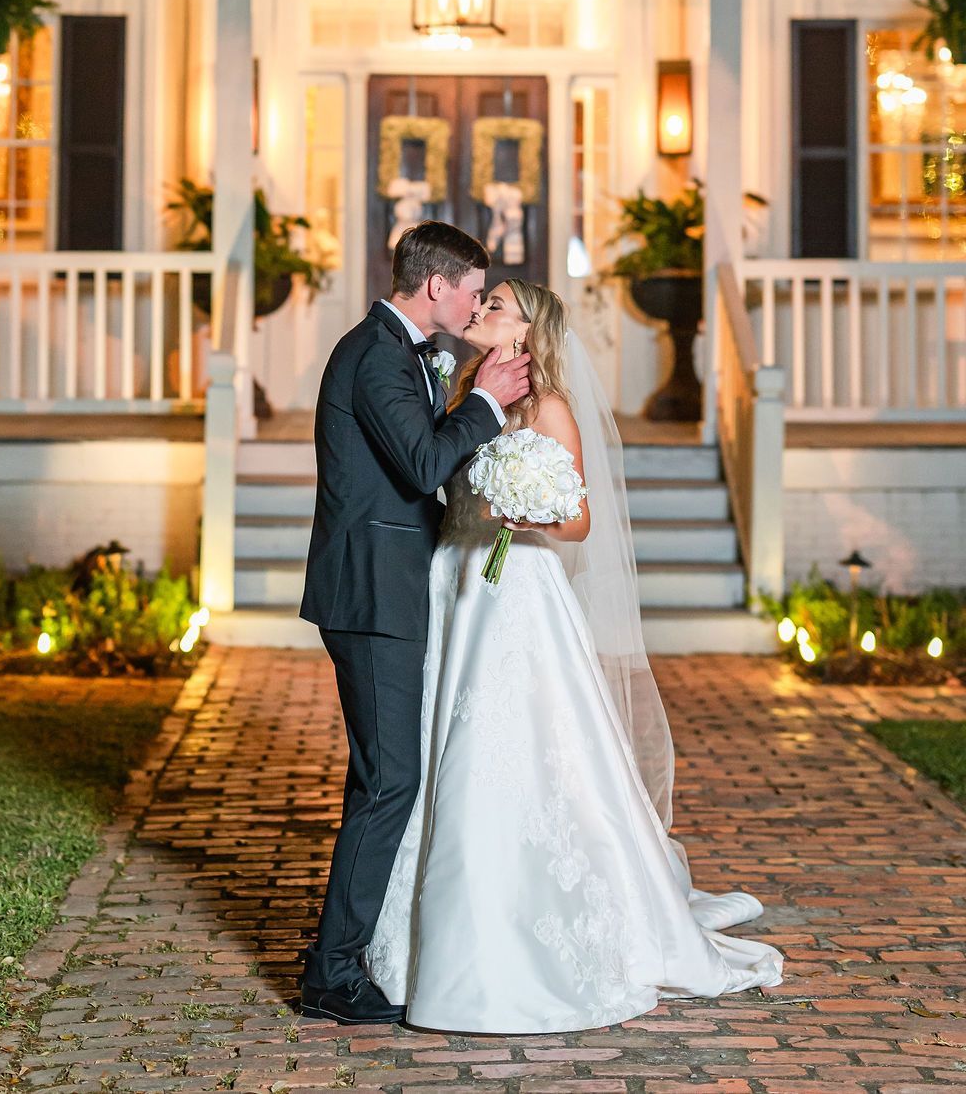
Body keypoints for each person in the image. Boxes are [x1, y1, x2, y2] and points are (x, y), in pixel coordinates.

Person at [365, 279, 785, 1033]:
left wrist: (523, 508)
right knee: (438, 741)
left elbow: (580, 520)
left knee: (511, 751)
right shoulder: (464, 390)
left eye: (497, 307)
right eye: (482, 301)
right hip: (457, 580)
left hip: (517, 592)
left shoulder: (550, 407)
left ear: (528, 332)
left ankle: (511, 938)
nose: (482, 313)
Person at [298, 222, 531, 1025]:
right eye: (472, 289)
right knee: (389, 778)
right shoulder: (376, 356)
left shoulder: (405, 354)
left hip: (391, 585)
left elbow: (426, 460)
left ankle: (338, 950)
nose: (474, 304)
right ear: (436, 285)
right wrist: (492, 402)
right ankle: (331, 972)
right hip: (370, 592)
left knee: (384, 773)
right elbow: (425, 463)